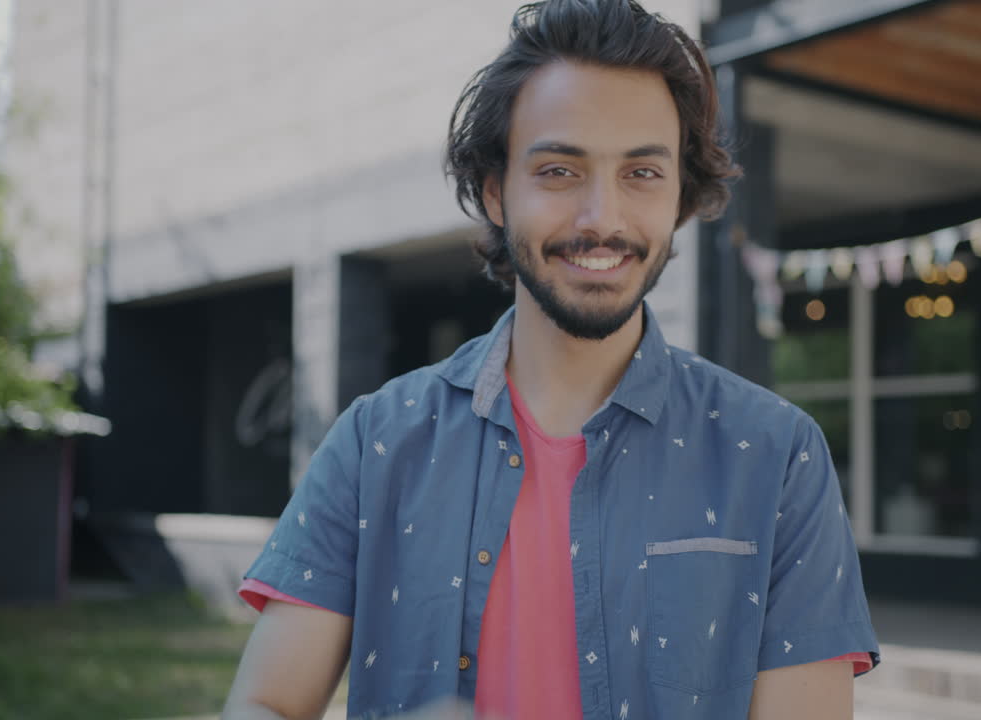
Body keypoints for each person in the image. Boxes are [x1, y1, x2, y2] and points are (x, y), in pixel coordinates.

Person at [222, 1, 879, 718]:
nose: (603, 219)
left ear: (680, 198)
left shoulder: (778, 455)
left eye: (642, 173)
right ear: (496, 193)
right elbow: (265, 705)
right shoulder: (372, 441)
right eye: (560, 170)